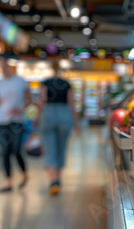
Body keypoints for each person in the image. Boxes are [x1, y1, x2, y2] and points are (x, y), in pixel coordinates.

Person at [0, 56, 31, 193]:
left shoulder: (20, 82)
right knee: (5, 151)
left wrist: (20, 109)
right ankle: (8, 182)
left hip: (17, 120)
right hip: (2, 121)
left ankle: (25, 174)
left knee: (16, 149)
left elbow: (29, 100)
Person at [36, 59, 81, 195]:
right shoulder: (67, 84)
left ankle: (53, 180)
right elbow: (72, 104)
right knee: (61, 147)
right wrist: (77, 123)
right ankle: (58, 178)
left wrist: (36, 118)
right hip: (64, 115)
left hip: (48, 114)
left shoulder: (45, 83)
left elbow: (41, 101)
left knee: (49, 148)